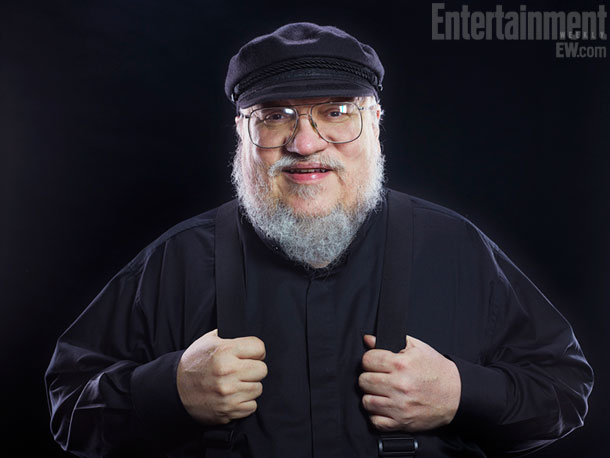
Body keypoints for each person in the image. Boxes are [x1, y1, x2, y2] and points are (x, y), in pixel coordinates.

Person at [45, 22, 593, 458]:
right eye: (275, 117)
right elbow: (69, 411)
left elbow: (563, 392)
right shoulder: (178, 259)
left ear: (375, 123)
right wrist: (170, 391)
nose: (305, 143)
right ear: (242, 132)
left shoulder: (456, 249)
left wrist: (460, 393)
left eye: (336, 112)